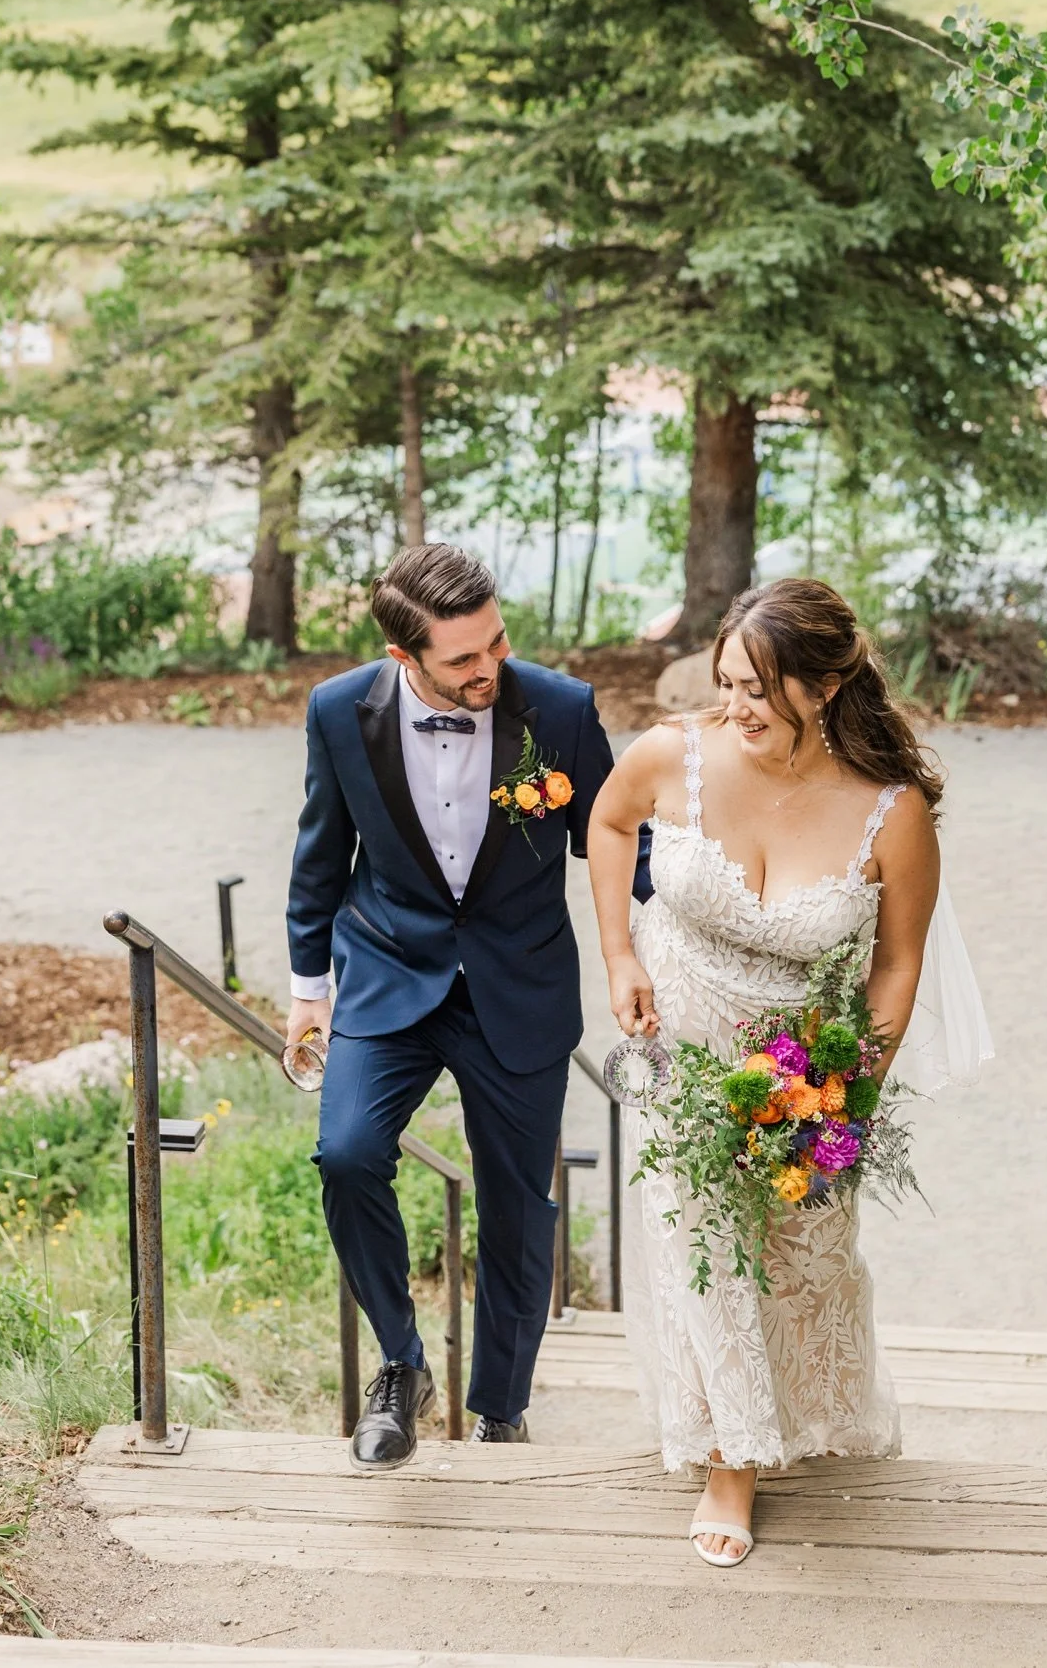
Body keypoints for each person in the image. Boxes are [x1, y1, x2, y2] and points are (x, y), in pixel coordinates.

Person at [587, 576, 989, 1569]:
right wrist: (620, 956)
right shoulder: (669, 756)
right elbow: (605, 825)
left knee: (802, 1261)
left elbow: (897, 963)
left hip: (800, 1068)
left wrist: (849, 1092)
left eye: (761, 690)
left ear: (826, 686)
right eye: (727, 682)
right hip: (681, 1057)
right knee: (707, 1247)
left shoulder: (889, 813)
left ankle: (792, 1418)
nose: (736, 708)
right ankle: (733, 1459)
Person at [286, 542, 651, 1469]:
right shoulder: (339, 711)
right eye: (464, 659)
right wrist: (307, 993)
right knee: (348, 1153)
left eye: (496, 643)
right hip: (388, 971)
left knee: (518, 1210)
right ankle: (402, 1367)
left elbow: (616, 840)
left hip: (518, 985)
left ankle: (500, 1410)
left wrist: (699, 919)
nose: (490, 667)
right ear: (405, 658)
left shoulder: (561, 709)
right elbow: (321, 859)